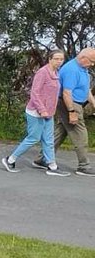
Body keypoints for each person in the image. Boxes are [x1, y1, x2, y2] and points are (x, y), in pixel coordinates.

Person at [1, 50, 67, 175]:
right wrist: (42, 110)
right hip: (36, 112)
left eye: (61, 59)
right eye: (56, 59)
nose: (59, 61)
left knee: (48, 140)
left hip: (49, 113)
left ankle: (52, 167)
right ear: (50, 59)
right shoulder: (42, 73)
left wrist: (50, 111)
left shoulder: (56, 73)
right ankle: (10, 160)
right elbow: (34, 93)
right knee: (33, 138)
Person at [32, 47, 95, 176]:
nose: (93, 64)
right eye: (92, 61)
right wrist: (72, 112)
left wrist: (94, 103)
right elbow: (66, 93)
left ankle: (43, 159)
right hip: (69, 104)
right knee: (80, 133)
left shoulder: (83, 68)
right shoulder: (71, 70)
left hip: (76, 103)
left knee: (61, 132)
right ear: (83, 58)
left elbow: (86, 89)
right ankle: (84, 166)